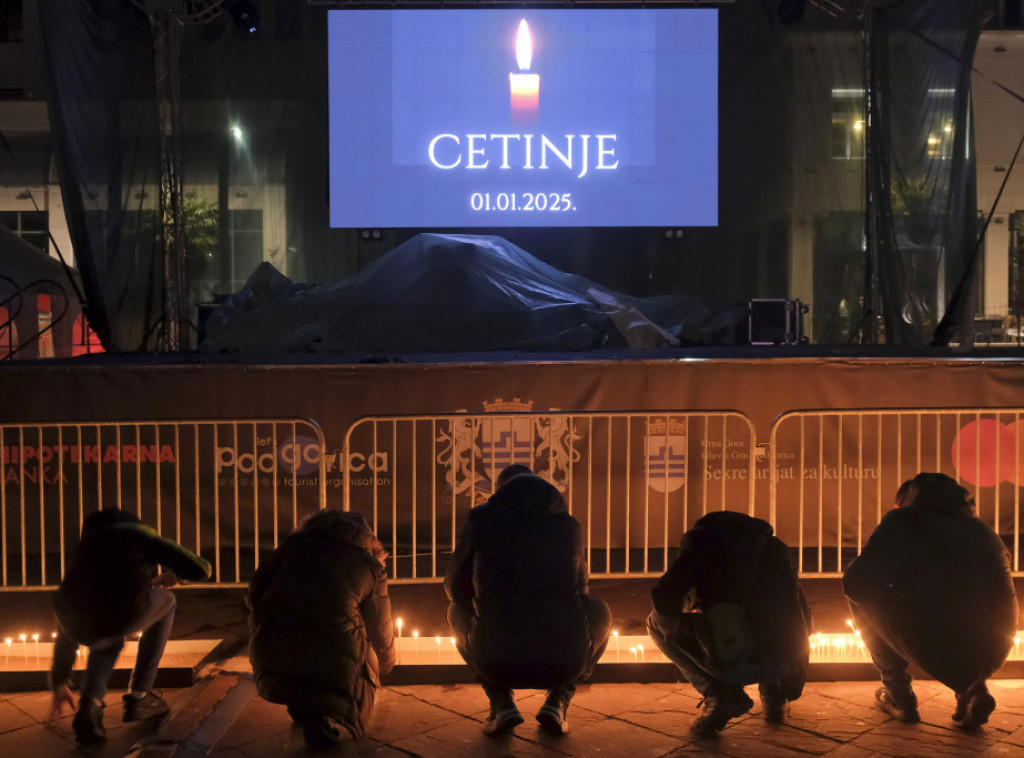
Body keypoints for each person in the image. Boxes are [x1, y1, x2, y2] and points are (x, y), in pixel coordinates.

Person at [444, 463, 612, 737]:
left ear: (501, 491)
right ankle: (558, 702)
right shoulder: (569, 525)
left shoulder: (481, 520)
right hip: (565, 663)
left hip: (496, 661)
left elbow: (455, 587)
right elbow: (581, 589)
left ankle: (501, 704)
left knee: (455, 611)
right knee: (599, 610)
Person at [843, 472, 1017, 730]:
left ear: (908, 500)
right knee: (952, 609)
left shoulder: (905, 521)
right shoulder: (980, 528)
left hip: (943, 643)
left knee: (861, 589)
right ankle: (971, 690)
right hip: (997, 646)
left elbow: (858, 586)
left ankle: (898, 695)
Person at [48, 508, 212, 745]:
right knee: (166, 601)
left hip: (77, 619)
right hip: (120, 613)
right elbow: (202, 569)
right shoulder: (141, 537)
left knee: (104, 636)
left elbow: (68, 613)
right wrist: (176, 576)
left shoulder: (86, 548)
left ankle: (89, 707)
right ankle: (140, 695)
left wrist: (59, 681)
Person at [646, 511, 811, 738]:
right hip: (787, 669)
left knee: (655, 622)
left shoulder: (702, 544)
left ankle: (719, 696)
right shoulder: (776, 550)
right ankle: (774, 696)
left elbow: (664, 600)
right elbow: (803, 619)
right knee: (772, 618)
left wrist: (694, 599)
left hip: (734, 659)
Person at [247, 510, 396, 749]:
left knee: (302, 645)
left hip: (271, 654)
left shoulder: (287, 551)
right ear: (367, 542)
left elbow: (254, 595)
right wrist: (386, 663)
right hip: (332, 660)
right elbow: (379, 625)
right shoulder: (368, 565)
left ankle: (305, 710)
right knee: (349, 638)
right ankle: (325, 710)